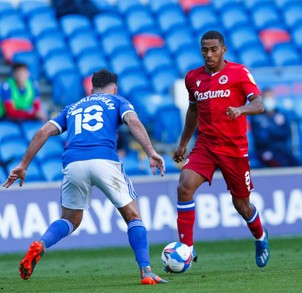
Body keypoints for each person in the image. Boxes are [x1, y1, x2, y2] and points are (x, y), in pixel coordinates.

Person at [2, 69, 167, 284]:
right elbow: (134, 122)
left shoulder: (73, 107)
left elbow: (43, 132)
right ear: (114, 88)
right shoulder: (117, 100)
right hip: (104, 160)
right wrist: (151, 152)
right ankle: (146, 271)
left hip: (73, 163)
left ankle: (41, 244)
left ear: (91, 89)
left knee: (69, 219)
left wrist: (23, 164)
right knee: (133, 216)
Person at [172, 30, 270, 268]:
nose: (209, 54)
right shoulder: (193, 78)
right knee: (184, 186)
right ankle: (187, 249)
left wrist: (240, 110)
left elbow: (259, 103)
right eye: (204, 50)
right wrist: (184, 142)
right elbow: (193, 110)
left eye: (213, 49)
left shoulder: (239, 72)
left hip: (234, 148)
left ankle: (260, 236)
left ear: (223, 50)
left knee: (242, 206)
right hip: (205, 145)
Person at [250, 88, 298, 167]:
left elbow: (286, 133)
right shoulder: (256, 117)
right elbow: (260, 138)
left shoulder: (280, 114)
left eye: (271, 98)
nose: (269, 100)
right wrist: (275, 132)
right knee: (276, 162)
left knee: (295, 162)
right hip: (264, 150)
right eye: (266, 98)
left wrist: (270, 130)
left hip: (281, 149)